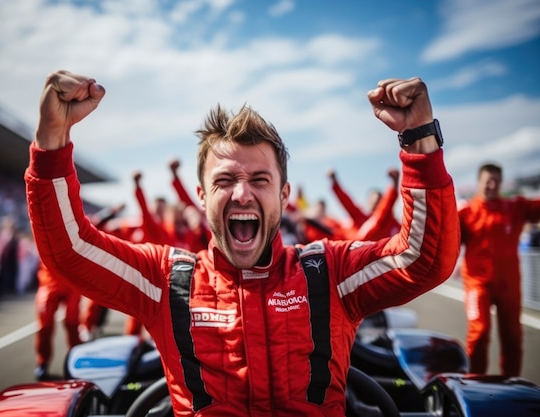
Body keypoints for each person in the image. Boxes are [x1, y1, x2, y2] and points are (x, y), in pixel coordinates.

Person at [26, 71, 458, 416]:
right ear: (201, 196)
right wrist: (51, 140)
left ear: (284, 196)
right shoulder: (166, 280)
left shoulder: (330, 273)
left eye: (259, 180)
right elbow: (71, 251)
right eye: (225, 180)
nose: (241, 193)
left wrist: (419, 138)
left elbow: (423, 259)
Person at [458, 163, 540, 377]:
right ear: (479, 183)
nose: (492, 185)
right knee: (479, 332)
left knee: (512, 335)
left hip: (508, 285)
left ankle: (511, 384)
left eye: (496, 181)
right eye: (487, 181)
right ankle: (475, 381)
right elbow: (445, 239)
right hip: (477, 284)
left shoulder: (514, 207)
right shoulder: (466, 213)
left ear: (501, 183)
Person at [328, 167, 401, 241]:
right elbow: (348, 203)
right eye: (372, 199)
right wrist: (334, 182)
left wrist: (394, 185)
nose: (375, 201)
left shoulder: (393, 223)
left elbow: (385, 208)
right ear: (368, 201)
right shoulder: (361, 217)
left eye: (379, 200)